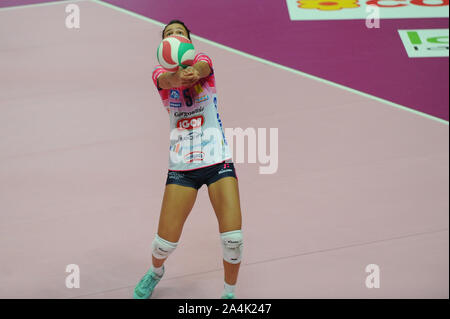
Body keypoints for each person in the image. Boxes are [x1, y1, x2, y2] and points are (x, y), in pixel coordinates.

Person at [133, 20, 243, 300]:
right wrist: (181, 75)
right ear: (163, 46)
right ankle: (156, 272)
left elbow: (202, 68)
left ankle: (228, 295)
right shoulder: (160, 74)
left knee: (233, 240)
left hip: (218, 162)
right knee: (163, 245)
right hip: (182, 168)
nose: (174, 36)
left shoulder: (204, 62)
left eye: (179, 32)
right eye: (169, 34)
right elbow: (169, 80)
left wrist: (195, 71)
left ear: (189, 41)